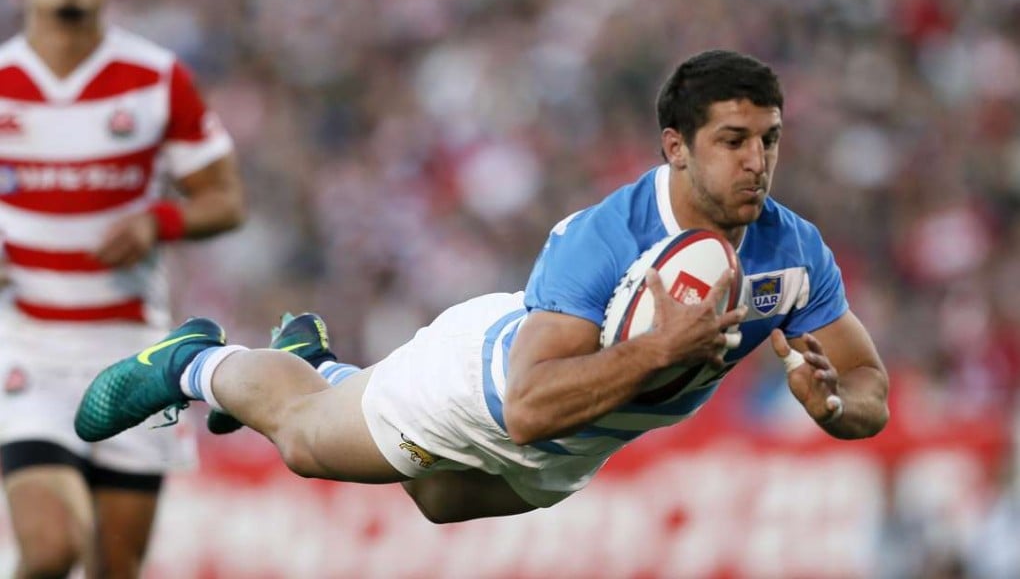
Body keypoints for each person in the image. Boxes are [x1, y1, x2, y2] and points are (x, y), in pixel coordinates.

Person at [75, 49, 887, 525]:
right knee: (302, 440)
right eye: (734, 140)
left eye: (771, 140)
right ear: (676, 147)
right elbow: (529, 408)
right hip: (482, 390)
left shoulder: (794, 252)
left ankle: (320, 365)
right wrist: (658, 348)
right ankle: (195, 362)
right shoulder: (602, 240)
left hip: (574, 451)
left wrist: (838, 410)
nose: (757, 161)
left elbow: (866, 383)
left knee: (434, 501)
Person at [0, 0, 245, 577]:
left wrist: (157, 222)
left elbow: (226, 199)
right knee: (51, 546)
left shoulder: (158, 79)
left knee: (116, 566)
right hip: (29, 347)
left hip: (133, 352)